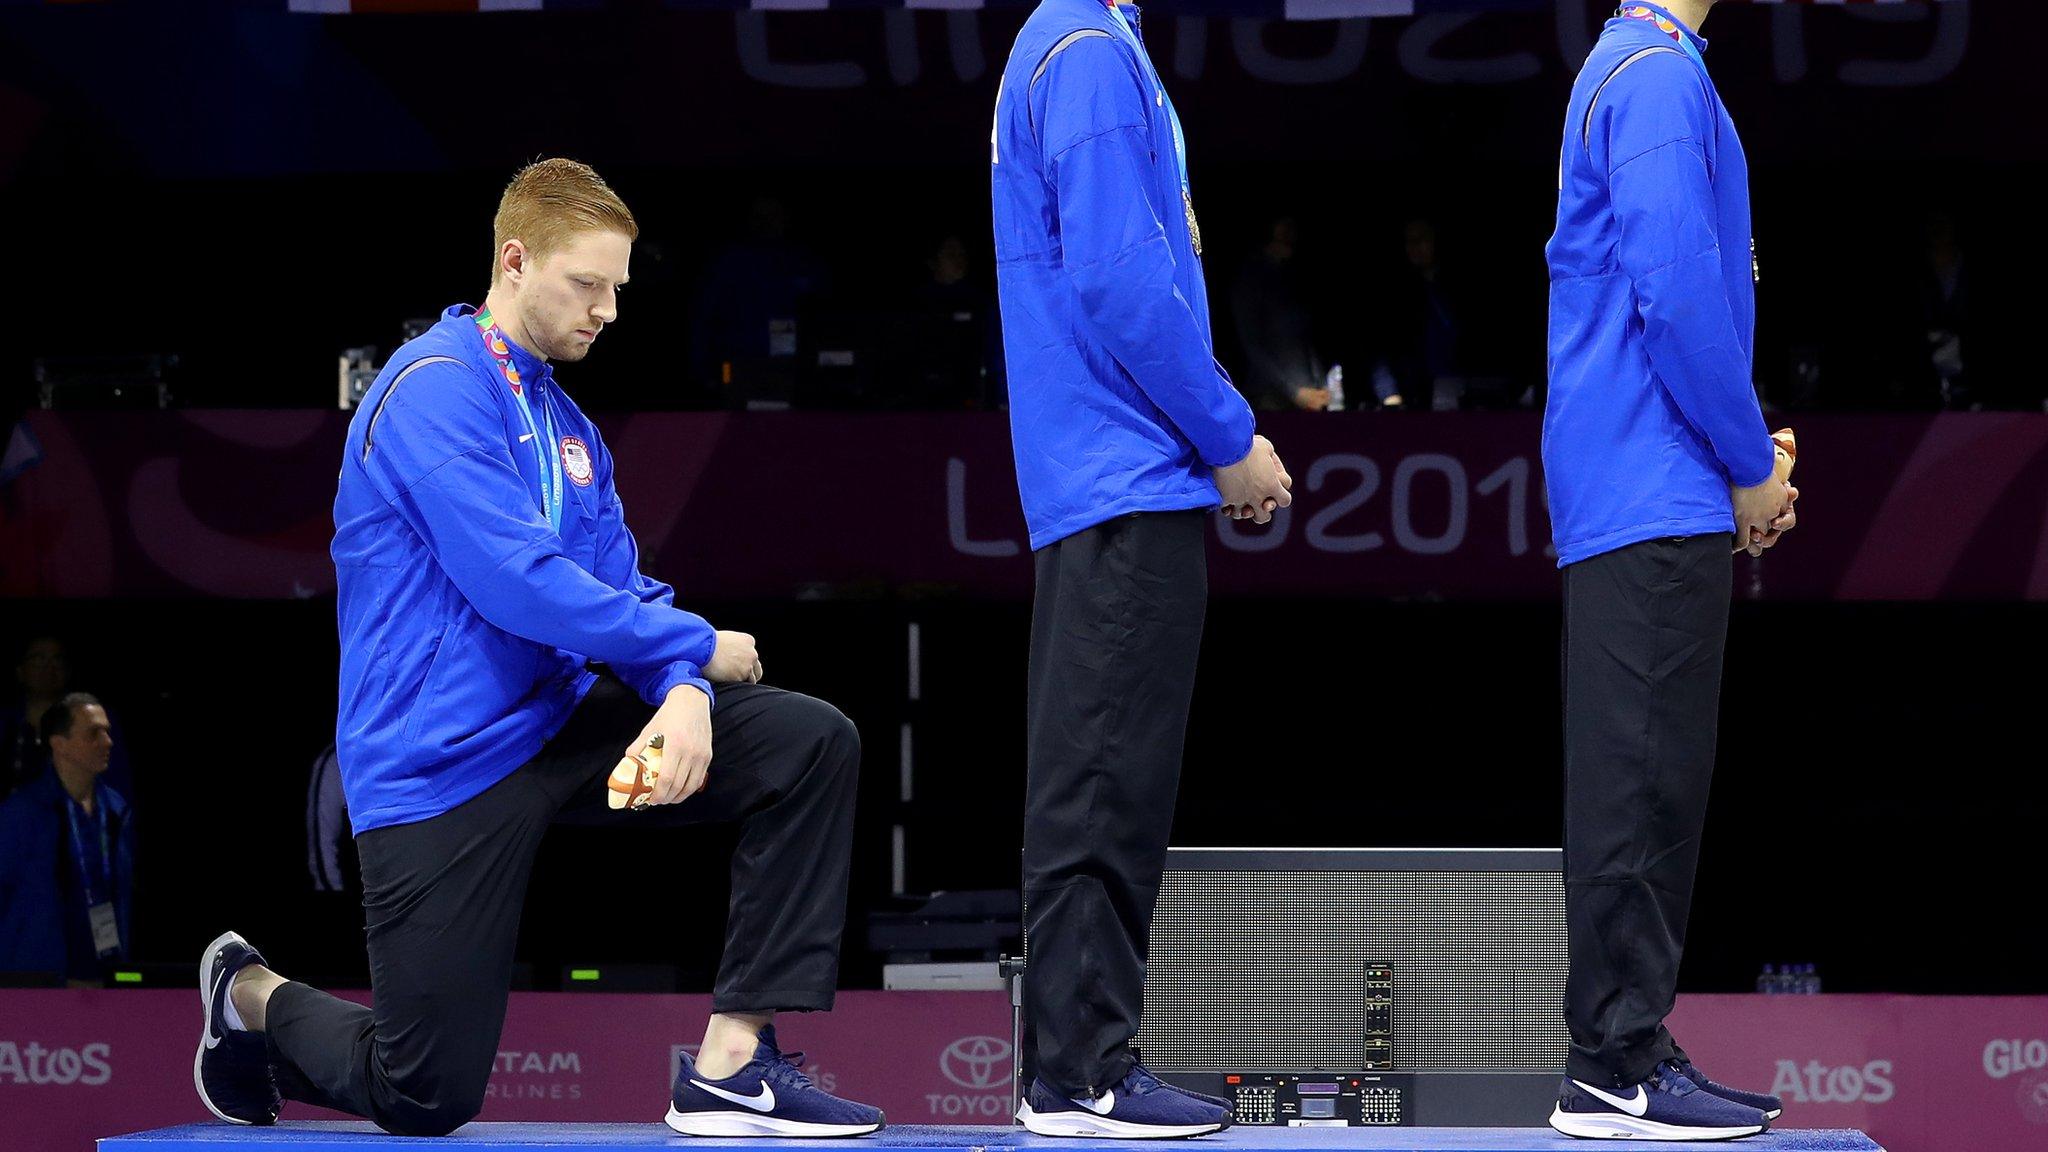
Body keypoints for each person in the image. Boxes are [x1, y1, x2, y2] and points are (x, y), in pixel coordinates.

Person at [194, 159, 883, 1139]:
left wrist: (680, 686)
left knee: (807, 743)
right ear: (514, 261)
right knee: (423, 1093)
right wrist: (697, 645)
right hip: (439, 767)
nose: (606, 310)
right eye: (585, 284)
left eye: (617, 290)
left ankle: (734, 1064)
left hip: (562, 731)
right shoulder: (429, 390)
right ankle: (252, 994)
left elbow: (619, 589)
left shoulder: (568, 429)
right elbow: (517, 584)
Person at [992, 0, 1291, 1138]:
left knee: (1099, 777)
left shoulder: (1080, 41)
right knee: (1101, 784)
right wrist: (1227, 436)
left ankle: (1078, 1063)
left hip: (1113, 468)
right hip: (1126, 465)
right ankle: (1079, 1072)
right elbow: (1122, 282)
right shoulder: (1082, 50)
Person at [1544, 3, 1798, 1140]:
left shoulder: (1646, 65)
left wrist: (1734, 456)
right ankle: (1612, 1060)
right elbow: (1676, 292)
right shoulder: (1650, 75)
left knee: (1648, 779)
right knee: (1638, 781)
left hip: (1652, 473)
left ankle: (1620, 1048)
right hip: (1650, 477)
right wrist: (1746, 461)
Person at [0, 693, 134, 983]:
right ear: (59, 743)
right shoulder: (21, 813)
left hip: (107, 976)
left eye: (108, 732)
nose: (108, 742)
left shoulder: (116, 810)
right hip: (38, 981)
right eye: (93, 734)